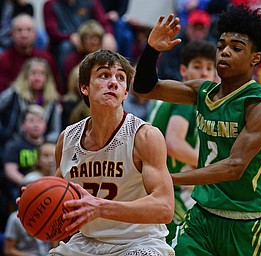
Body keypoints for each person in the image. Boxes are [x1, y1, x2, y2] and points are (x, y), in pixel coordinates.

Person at [133, 4, 261, 255]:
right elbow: (145, 88)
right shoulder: (203, 91)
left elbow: (234, 167)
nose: (224, 52)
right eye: (221, 46)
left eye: (236, 48)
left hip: (247, 222)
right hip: (201, 218)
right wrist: (151, 50)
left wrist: (169, 179)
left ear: (255, 58)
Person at [44, 49, 175, 255]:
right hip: (86, 241)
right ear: (84, 87)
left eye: (120, 78)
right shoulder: (67, 139)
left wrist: (100, 208)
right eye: (104, 75)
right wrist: (37, 202)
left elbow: (164, 208)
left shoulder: (144, 136)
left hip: (139, 242)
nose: (113, 82)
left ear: (125, 92)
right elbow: (58, 200)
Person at [147, 39, 218, 244]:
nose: (204, 74)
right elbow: (174, 144)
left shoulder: (170, 97)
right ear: (183, 70)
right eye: (197, 67)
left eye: (209, 68)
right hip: (158, 185)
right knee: (187, 242)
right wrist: (212, 167)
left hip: (156, 181)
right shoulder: (186, 100)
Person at [3, 142, 56, 256]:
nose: (50, 160)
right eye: (46, 156)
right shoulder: (31, 180)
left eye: (53, 156)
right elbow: (8, 250)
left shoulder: (59, 179)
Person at [43, 0, 117, 80]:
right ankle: (64, 84)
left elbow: (103, 22)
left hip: (89, 36)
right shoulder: (51, 5)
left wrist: (108, 34)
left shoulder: (91, 2)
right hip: (66, 42)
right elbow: (52, 31)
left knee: (110, 41)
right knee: (65, 47)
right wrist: (69, 37)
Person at [0, 57, 62, 151]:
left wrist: (44, 143)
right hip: (13, 143)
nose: (37, 78)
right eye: (33, 73)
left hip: (41, 146)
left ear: (47, 78)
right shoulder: (13, 93)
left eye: (42, 74)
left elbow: (55, 130)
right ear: (25, 76)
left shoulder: (52, 99)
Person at [2, 104, 47, 221]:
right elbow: (10, 171)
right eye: (31, 121)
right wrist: (29, 183)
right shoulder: (14, 145)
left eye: (40, 121)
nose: (36, 124)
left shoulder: (50, 146)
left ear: (45, 125)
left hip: (48, 187)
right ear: (23, 125)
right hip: (22, 187)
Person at [0, 14, 62, 94]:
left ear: (35, 34)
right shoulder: (3, 60)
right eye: (19, 30)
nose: (24, 35)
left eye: (29, 30)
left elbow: (56, 88)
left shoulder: (46, 58)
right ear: (11, 35)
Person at [157, 8, 213, 80]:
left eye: (201, 29)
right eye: (194, 28)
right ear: (187, 27)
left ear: (207, 31)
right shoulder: (174, 43)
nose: (197, 33)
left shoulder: (211, 46)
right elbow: (168, 71)